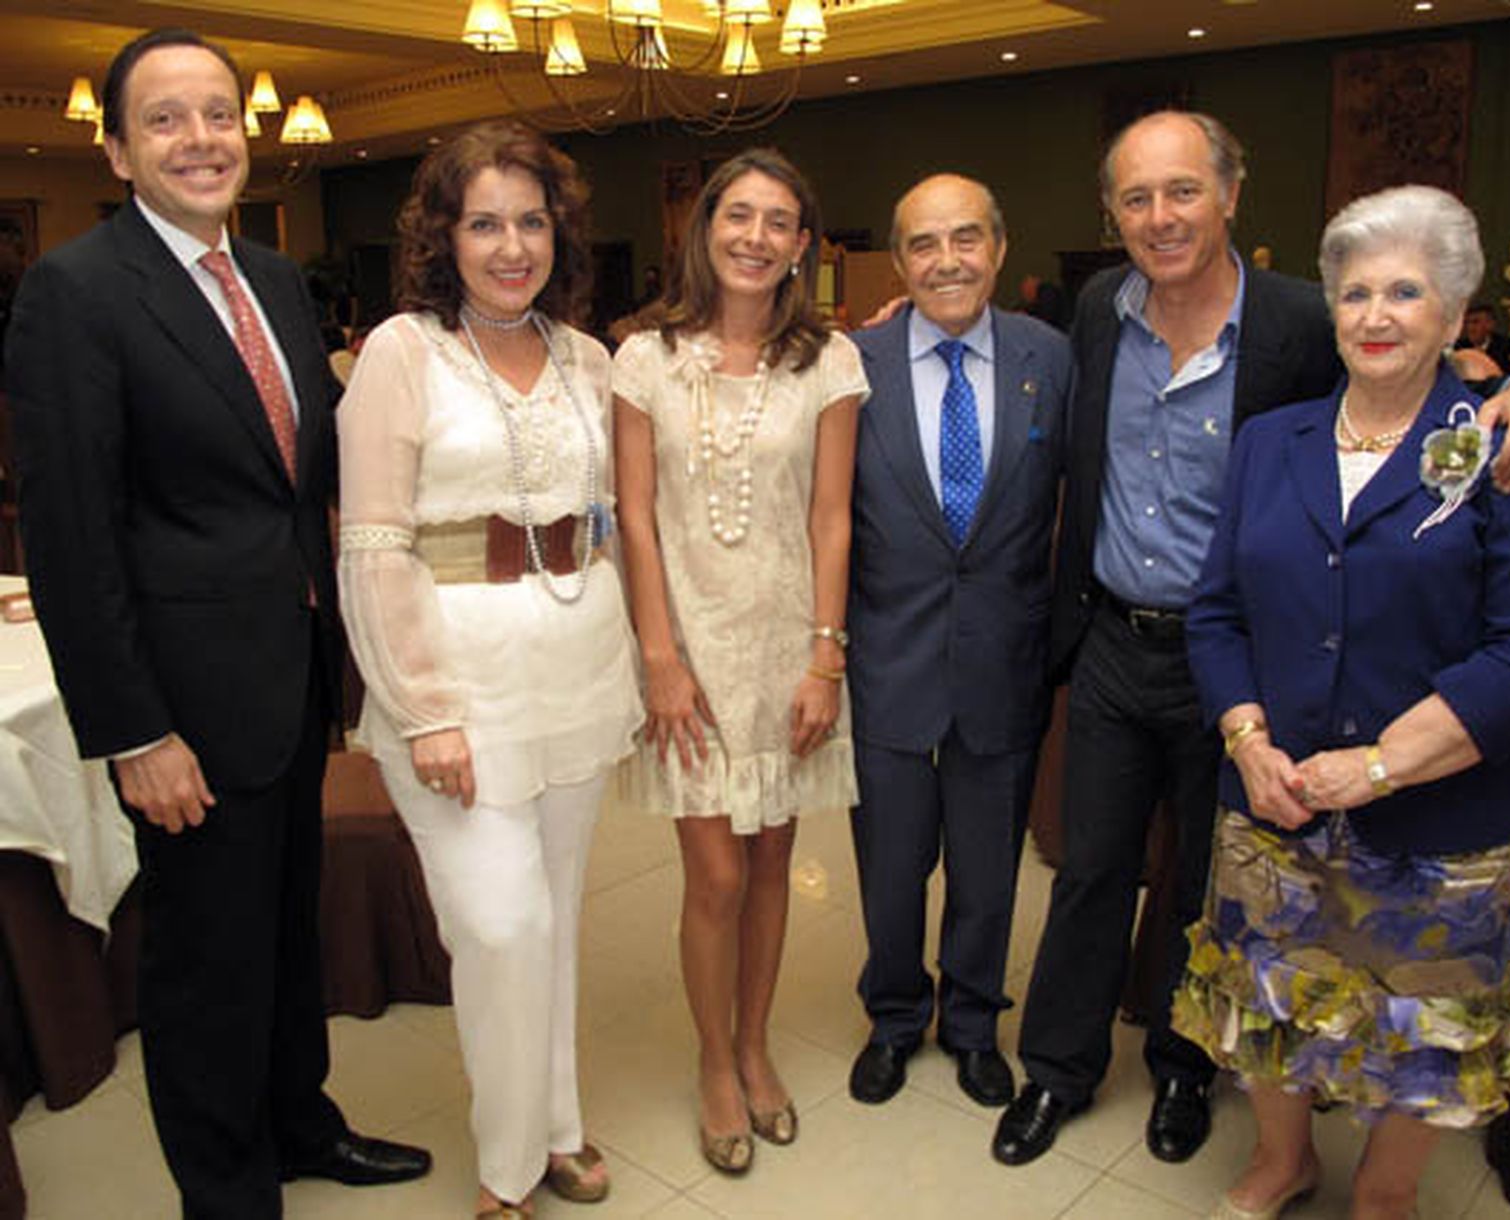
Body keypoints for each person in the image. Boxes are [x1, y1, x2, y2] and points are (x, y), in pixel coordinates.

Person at [995, 109, 1510, 1171]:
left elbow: (1429, 378)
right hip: (1123, 636)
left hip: (1251, 651)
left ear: (1229, 194)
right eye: (1135, 196)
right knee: (1090, 867)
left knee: (1202, 873)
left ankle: (1181, 1067)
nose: (1159, 217)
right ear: (1111, 214)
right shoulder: (1095, 309)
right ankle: (1057, 1071)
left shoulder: (1305, 315)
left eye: (1181, 191)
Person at [3, 28, 429, 1218]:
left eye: (218, 115)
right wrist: (135, 729)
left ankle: (302, 1124)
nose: (201, 140)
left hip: (291, 678)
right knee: (205, 963)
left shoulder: (280, 281)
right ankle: (227, 1187)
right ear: (119, 150)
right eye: (166, 120)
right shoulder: (75, 292)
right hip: (183, 705)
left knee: (284, 930)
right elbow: (73, 536)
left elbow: (321, 460)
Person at [1178, 184, 1510, 1220]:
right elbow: (1216, 610)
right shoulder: (1272, 439)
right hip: (1276, 797)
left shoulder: (1502, 441)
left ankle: (1386, 1188)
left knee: (1422, 1023)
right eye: (1356, 292)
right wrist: (1248, 738)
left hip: (1446, 818)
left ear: (1452, 312)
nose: (1378, 314)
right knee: (1268, 995)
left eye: (1407, 290)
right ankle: (1281, 1158)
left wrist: (1383, 765)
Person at [336, 122, 641, 1219]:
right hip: (457, 685)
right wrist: (421, 709)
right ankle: (506, 1165)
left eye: (530, 220)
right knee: (499, 921)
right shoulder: (401, 353)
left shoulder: (587, 356)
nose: (511, 245)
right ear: (443, 238)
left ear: (558, 232)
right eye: (484, 223)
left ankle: (555, 1125)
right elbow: (372, 545)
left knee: (552, 915)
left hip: (577, 662)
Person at [611, 148, 866, 1175]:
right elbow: (633, 515)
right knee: (713, 867)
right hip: (689, 648)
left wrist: (824, 658)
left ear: (802, 244)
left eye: (779, 222)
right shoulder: (642, 357)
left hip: (787, 646)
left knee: (769, 860)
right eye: (738, 216)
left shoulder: (830, 362)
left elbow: (832, 517)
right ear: (704, 228)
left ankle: (756, 1045)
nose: (755, 237)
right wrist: (658, 655)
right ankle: (713, 1059)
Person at [845, 175, 1072, 1109]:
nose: (947, 261)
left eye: (965, 238)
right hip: (885, 662)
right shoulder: (848, 368)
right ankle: (896, 1017)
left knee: (987, 869)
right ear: (899, 262)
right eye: (925, 245)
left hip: (1003, 661)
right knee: (890, 870)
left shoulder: (1052, 360)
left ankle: (974, 1021)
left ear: (1000, 247)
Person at [1454, 301, 1510, 367]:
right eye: (1467, 322)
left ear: (1490, 324)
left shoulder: (1504, 348)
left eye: (1475, 322)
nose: (1470, 328)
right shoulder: (1459, 346)